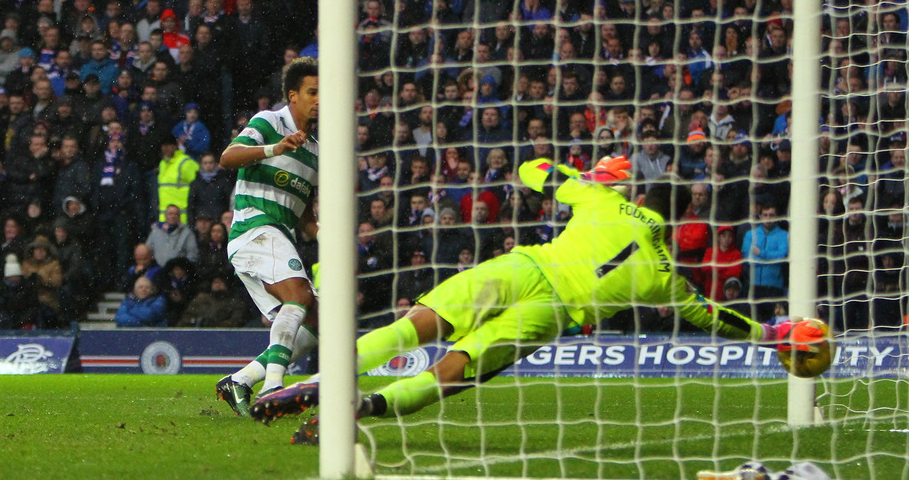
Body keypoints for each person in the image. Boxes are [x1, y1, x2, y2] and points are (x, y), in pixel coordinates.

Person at [250, 156, 820, 440]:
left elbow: (531, 169)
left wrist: (589, 175)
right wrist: (768, 334)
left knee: (416, 326)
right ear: (679, 217)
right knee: (456, 368)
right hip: (550, 313)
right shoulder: (664, 275)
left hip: (523, 266)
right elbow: (713, 316)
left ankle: (321, 382)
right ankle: (363, 408)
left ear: (640, 194)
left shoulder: (601, 198)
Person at [215, 57, 320, 416]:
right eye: (312, 92)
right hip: (253, 228)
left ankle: (240, 380)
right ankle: (274, 388)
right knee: (299, 295)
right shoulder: (270, 122)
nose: (319, 99)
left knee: (319, 320)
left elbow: (304, 215)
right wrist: (275, 148)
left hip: (278, 236)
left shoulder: (316, 149)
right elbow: (228, 157)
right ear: (293, 96)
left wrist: (325, 235)